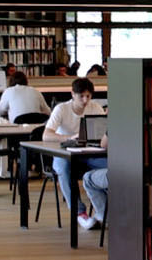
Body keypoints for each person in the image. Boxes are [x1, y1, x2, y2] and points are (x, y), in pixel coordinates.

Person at [44, 77, 106, 226]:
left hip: (89, 153)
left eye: (88, 96)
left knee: (112, 166)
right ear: (72, 94)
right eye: (81, 96)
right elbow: (46, 135)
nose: (85, 100)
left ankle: (105, 210)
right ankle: (80, 213)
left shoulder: (96, 108)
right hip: (65, 153)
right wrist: (70, 137)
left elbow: (104, 131)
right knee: (63, 168)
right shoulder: (61, 109)